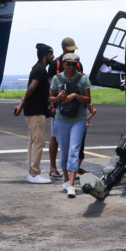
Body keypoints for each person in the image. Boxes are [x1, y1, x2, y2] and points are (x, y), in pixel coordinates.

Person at [49, 52, 92, 198]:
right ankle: (66, 179)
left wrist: (75, 95)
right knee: (65, 151)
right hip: (62, 119)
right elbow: (51, 99)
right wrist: (58, 98)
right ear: (64, 64)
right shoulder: (57, 79)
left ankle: (72, 185)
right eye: (68, 64)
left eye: (74, 64)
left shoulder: (83, 78)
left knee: (74, 150)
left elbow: (88, 99)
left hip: (79, 119)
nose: (71, 67)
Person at [13, 43, 54, 184]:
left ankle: (32, 172)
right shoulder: (40, 70)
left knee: (33, 141)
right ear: (45, 55)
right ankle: (35, 173)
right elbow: (31, 88)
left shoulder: (38, 68)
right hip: (36, 110)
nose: (52, 57)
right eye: (50, 54)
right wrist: (22, 103)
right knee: (38, 141)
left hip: (34, 109)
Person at [48, 36, 84, 178]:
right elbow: (51, 87)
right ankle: (53, 167)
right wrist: (53, 105)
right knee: (55, 137)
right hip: (59, 107)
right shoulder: (54, 64)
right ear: (63, 49)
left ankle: (72, 169)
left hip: (76, 108)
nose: (71, 67)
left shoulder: (78, 64)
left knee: (75, 142)